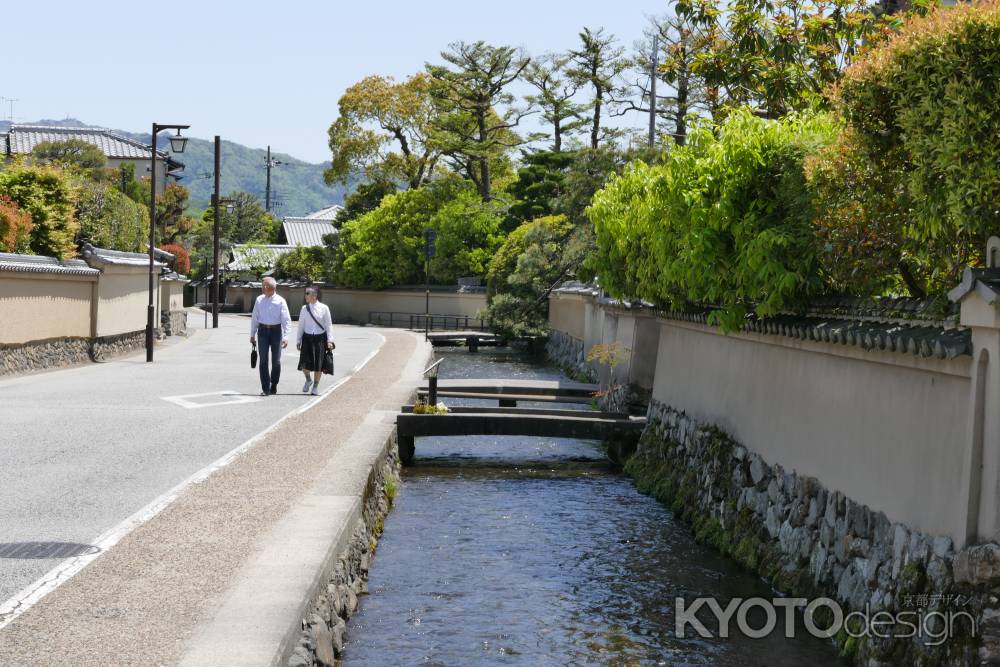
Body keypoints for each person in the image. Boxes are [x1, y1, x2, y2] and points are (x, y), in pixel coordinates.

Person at [250, 277, 291, 396]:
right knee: (263, 361)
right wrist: (252, 334)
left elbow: (286, 320)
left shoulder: (280, 301)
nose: (262, 287)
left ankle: (274, 383)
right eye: (262, 285)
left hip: (276, 332)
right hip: (262, 331)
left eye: (264, 286)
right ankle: (265, 388)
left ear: (271, 288)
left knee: (276, 361)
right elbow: (255, 318)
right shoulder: (259, 300)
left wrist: (286, 336)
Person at [297, 285, 334, 396]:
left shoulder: (324, 308)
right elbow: (301, 325)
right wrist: (298, 340)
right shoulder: (304, 308)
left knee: (318, 364)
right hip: (307, 337)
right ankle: (308, 380)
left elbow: (329, 325)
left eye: (308, 293)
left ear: (315, 295)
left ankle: (315, 387)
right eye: (306, 293)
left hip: (320, 338)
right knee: (304, 363)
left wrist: (330, 340)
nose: (306, 295)